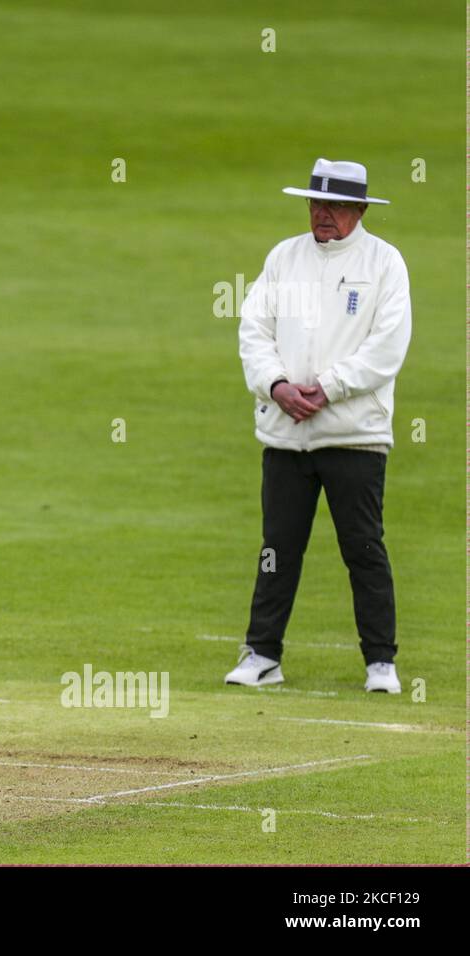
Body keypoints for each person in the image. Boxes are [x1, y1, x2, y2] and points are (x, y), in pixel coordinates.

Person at [230, 158, 410, 693]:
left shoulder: (384, 263)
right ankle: (263, 654)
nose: (322, 214)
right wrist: (277, 384)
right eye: (315, 203)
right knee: (276, 547)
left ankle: (381, 662)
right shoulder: (284, 258)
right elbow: (253, 330)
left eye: (333, 206)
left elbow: (388, 347)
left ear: (359, 209)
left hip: (355, 433)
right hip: (286, 434)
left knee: (363, 547)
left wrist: (328, 386)